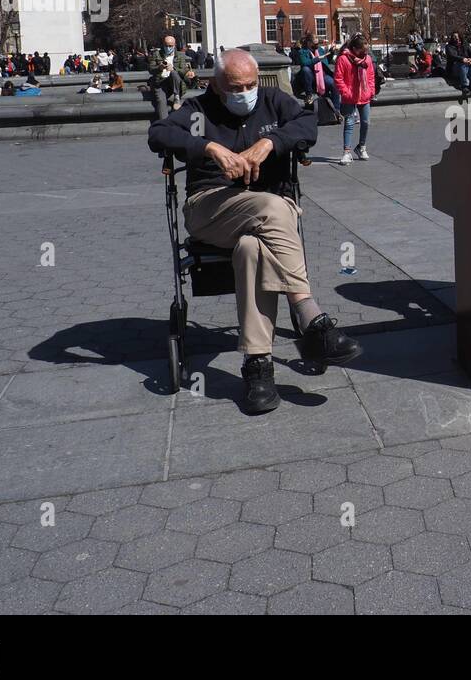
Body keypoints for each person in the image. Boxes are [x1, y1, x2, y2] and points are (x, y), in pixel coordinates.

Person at [149, 50, 361, 413]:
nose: (244, 92)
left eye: (250, 85)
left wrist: (270, 142)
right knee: (274, 208)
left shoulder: (274, 101)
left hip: (263, 216)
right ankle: (310, 318)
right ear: (216, 84)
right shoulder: (198, 110)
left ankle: (257, 365)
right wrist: (209, 147)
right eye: (235, 87)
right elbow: (159, 133)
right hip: (211, 207)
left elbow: (308, 123)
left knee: (251, 248)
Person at [335, 34, 376, 166]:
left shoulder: (367, 59)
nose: (365, 52)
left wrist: (371, 91)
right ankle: (347, 152)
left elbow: (370, 77)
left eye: (366, 50)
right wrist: (345, 92)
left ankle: (361, 146)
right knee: (349, 123)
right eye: (363, 50)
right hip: (349, 96)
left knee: (366, 122)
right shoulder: (343, 59)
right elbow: (338, 78)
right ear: (354, 48)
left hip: (364, 94)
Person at [147, 34, 197, 120]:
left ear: (174, 45)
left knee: (173, 72)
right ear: (163, 45)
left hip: (174, 83)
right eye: (166, 45)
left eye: (170, 46)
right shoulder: (156, 54)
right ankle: (165, 125)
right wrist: (159, 68)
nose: (168, 48)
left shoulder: (180, 55)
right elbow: (151, 69)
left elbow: (184, 70)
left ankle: (177, 97)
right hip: (160, 83)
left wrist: (188, 73)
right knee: (161, 101)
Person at [445, 32, 471, 97]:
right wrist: (462, 59)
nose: (456, 38)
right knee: (462, 64)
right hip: (454, 70)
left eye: (457, 37)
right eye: (454, 37)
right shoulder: (449, 46)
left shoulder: (465, 45)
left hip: (465, 69)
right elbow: (452, 56)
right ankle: (464, 86)